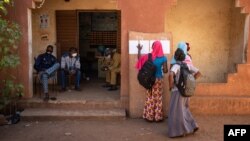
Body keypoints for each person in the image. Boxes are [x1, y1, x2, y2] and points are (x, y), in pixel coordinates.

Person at [168, 42, 201, 138]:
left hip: (177, 91)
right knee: (184, 109)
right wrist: (191, 81)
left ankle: (178, 132)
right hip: (187, 91)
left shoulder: (176, 66)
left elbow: (170, 75)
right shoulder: (188, 66)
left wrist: (171, 85)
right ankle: (193, 125)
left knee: (175, 111)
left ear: (176, 57)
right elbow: (198, 73)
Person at [136, 40, 168, 122]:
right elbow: (165, 71)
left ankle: (149, 117)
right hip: (158, 79)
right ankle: (158, 117)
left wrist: (139, 49)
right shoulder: (164, 58)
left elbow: (139, 59)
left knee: (150, 97)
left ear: (153, 47)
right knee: (158, 97)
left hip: (149, 79)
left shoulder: (149, 56)